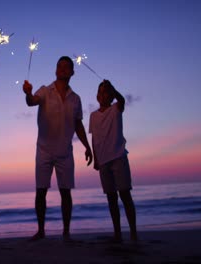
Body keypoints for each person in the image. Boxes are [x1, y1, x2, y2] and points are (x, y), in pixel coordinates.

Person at [22, 56, 93, 241]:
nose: (62, 69)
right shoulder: (45, 90)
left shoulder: (76, 99)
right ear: (55, 70)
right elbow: (32, 101)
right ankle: (40, 230)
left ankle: (66, 231)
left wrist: (87, 146)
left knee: (66, 192)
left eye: (66, 67)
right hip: (43, 150)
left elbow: (78, 125)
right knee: (41, 191)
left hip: (65, 151)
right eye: (59, 66)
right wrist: (28, 93)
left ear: (72, 72)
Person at [89, 79, 138, 242]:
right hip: (103, 161)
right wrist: (96, 160)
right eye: (100, 92)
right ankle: (117, 233)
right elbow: (94, 138)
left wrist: (114, 89)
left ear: (110, 96)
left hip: (118, 157)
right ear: (97, 95)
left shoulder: (116, 108)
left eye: (106, 92)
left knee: (125, 195)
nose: (102, 95)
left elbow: (122, 100)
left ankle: (133, 232)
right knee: (111, 198)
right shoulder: (93, 116)